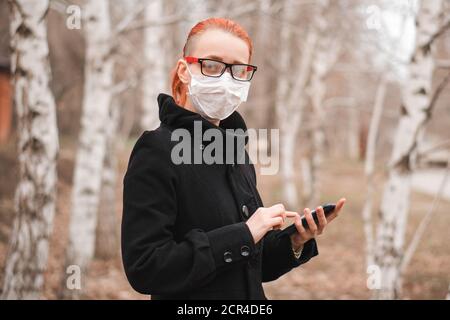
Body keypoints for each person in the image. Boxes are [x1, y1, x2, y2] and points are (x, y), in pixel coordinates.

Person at [121, 17, 346, 300]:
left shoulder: (235, 152)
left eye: (239, 70)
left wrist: (296, 240)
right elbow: (146, 267)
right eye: (212, 65)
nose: (226, 79)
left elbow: (249, 264)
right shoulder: (156, 150)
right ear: (185, 70)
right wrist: (245, 233)